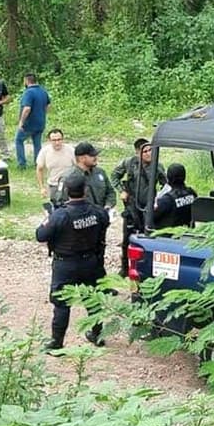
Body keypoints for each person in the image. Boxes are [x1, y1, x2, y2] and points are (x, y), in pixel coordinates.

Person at [36, 171, 109, 353]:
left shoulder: (61, 215)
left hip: (65, 264)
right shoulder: (97, 212)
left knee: (61, 303)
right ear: (86, 189)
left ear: (67, 191)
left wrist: (45, 219)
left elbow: (41, 236)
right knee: (93, 299)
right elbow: (104, 224)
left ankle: (57, 341)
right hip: (90, 262)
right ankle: (97, 334)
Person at [113, 138, 166, 275]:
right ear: (138, 152)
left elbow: (165, 184)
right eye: (145, 151)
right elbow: (115, 176)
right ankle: (124, 268)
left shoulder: (157, 166)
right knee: (127, 238)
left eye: (151, 150)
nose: (149, 153)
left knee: (148, 236)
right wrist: (122, 191)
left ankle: (146, 267)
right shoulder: (129, 163)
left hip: (148, 206)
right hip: (132, 205)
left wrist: (158, 198)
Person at [14, 73, 51, 169]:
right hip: (40, 122)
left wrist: (21, 122)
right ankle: (38, 163)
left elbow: (27, 108)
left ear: (26, 81)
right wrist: (42, 114)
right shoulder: (43, 91)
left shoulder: (28, 92)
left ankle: (22, 164)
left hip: (29, 123)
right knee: (37, 143)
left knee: (18, 140)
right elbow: (48, 106)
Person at [68, 141, 117, 210]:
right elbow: (63, 203)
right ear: (81, 158)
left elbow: (110, 192)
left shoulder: (100, 172)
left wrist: (108, 205)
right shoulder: (70, 178)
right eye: (92, 156)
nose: (96, 157)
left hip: (101, 215)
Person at [35, 128, 76, 206]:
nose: (57, 143)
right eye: (54, 140)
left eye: (59, 139)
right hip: (53, 185)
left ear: (63, 139)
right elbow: (39, 169)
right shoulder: (45, 151)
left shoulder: (71, 150)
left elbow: (79, 167)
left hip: (69, 185)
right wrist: (42, 188)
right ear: (49, 141)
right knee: (56, 208)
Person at [153, 163, 197, 229]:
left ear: (168, 177)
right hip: (187, 233)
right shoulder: (192, 194)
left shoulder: (167, 200)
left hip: (167, 236)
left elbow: (151, 217)